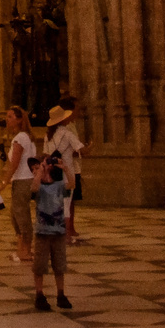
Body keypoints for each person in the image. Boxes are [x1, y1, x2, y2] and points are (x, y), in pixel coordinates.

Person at [31, 153, 75, 311]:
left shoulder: (58, 185)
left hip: (58, 231)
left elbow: (72, 184)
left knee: (59, 264)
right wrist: (40, 172)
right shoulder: (38, 185)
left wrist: (65, 168)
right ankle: (39, 294)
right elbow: (34, 188)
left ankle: (61, 293)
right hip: (43, 231)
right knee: (40, 265)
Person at [0, 105, 36, 261]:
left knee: (21, 216)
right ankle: (21, 249)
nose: (7, 119)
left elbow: (14, 164)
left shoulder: (20, 138)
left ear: (19, 120)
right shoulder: (23, 137)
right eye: (7, 116)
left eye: (10, 116)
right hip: (21, 180)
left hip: (23, 180)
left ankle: (26, 251)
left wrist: (2, 184)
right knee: (16, 216)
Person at [57, 94, 91, 243]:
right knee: (66, 200)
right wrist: (90, 146)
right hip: (67, 169)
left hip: (71, 167)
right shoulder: (65, 130)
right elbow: (79, 149)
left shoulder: (68, 127)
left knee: (69, 199)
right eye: (76, 108)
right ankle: (65, 231)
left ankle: (69, 228)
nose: (78, 111)